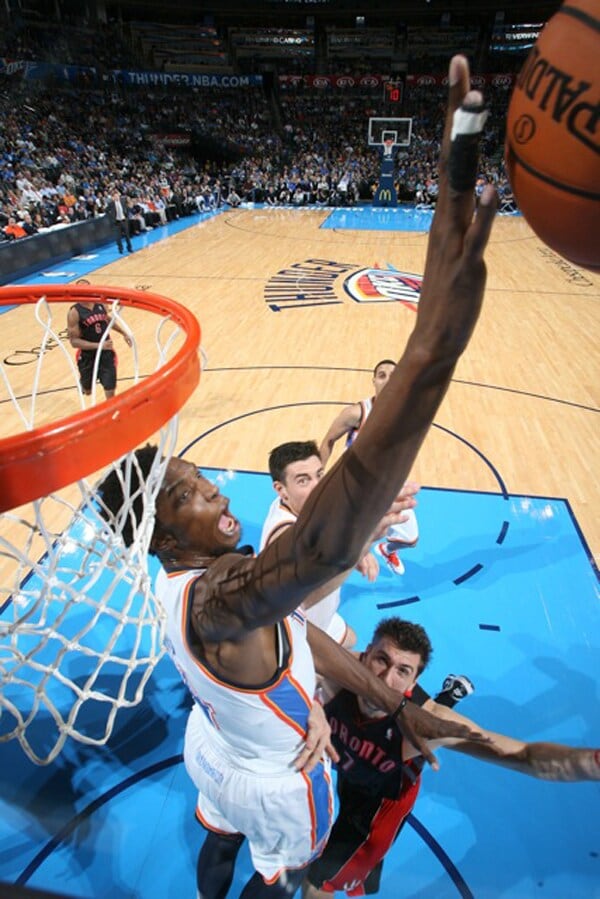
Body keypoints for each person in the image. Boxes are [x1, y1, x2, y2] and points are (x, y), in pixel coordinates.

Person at [98, 55, 498, 899]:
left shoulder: (178, 583)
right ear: (167, 530)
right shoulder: (223, 593)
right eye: (198, 495)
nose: (219, 497)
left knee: (219, 839)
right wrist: (429, 356)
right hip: (280, 772)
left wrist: (313, 695)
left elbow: (301, 628)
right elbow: (320, 547)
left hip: (219, 743)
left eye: (209, 483)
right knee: (281, 880)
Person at [303, 618, 599, 897]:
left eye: (403, 671)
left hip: (380, 802)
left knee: (319, 882)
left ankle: (449, 698)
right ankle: (451, 693)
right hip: (349, 770)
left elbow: (524, 755)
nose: (385, 678)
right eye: (381, 660)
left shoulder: (428, 724)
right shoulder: (332, 671)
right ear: (366, 654)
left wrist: (592, 762)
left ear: (413, 682)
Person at [260, 440, 418, 649]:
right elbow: (311, 592)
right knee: (331, 671)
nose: (318, 486)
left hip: (321, 617)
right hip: (297, 630)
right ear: (281, 489)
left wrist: (359, 550)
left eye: (319, 475)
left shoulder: (298, 505)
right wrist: (364, 542)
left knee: (350, 639)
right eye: (303, 480)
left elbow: (329, 525)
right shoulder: (285, 537)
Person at [319, 360, 419, 576]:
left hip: (388, 487)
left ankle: (386, 550)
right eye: (382, 375)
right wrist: (317, 479)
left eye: (393, 375)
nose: (388, 380)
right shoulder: (357, 413)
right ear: (374, 381)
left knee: (410, 540)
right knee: (342, 547)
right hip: (354, 489)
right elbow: (328, 441)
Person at [66, 280, 132, 401]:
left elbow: (106, 319)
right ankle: (84, 385)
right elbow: (74, 342)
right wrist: (99, 345)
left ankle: (111, 416)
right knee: (88, 391)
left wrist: (124, 333)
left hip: (106, 354)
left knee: (110, 389)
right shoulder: (74, 313)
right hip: (87, 356)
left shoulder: (100, 304)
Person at [105, 188, 133, 253]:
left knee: (127, 236)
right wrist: (111, 217)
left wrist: (127, 216)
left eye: (117, 196)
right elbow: (106, 210)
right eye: (115, 196)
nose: (116, 197)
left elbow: (128, 207)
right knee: (118, 237)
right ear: (113, 197)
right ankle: (120, 249)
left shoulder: (123, 201)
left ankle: (129, 248)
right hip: (116, 222)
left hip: (123, 220)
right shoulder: (111, 204)